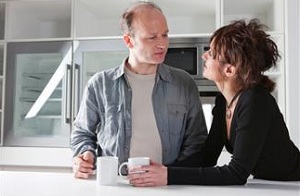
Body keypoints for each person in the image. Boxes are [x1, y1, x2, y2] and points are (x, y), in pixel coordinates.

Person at [127, 19, 300, 186]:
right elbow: (207, 156)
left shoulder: (255, 101)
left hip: (293, 184)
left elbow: (236, 173)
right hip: (272, 185)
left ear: (230, 69)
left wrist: (169, 175)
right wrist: (163, 170)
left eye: (211, 53)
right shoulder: (224, 101)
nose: (204, 55)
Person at [70, 1, 208, 179]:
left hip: (169, 186)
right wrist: (84, 154)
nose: (162, 44)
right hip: (116, 184)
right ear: (128, 40)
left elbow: (196, 140)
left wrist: (172, 175)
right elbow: (82, 133)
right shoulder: (100, 84)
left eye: (165, 35)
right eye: (152, 37)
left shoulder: (184, 83)